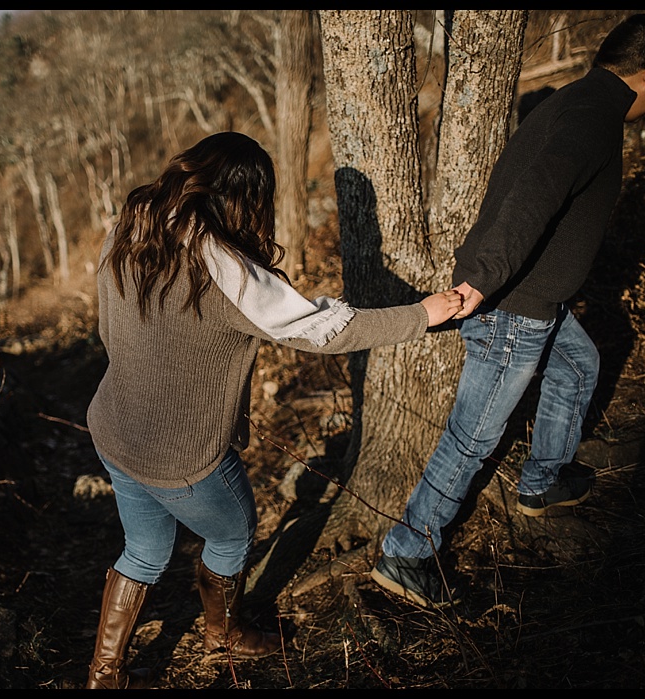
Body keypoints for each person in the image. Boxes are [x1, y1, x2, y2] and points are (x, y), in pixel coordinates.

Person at [83, 131, 465, 688]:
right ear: (244, 198)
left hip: (115, 428)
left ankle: (104, 676)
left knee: (143, 551)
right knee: (234, 534)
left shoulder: (130, 227)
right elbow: (325, 329)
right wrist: (421, 315)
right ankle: (225, 632)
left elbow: (105, 325)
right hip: (184, 455)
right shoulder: (226, 269)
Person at [371, 13, 645, 610]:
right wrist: (482, 282)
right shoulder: (589, 119)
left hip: (530, 295)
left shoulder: (575, 102)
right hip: (512, 304)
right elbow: (532, 196)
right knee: (474, 437)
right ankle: (406, 551)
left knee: (578, 365)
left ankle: (542, 481)